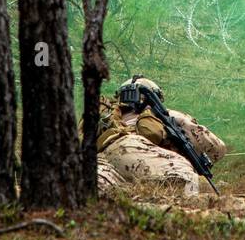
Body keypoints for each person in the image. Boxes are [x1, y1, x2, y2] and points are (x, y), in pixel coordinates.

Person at [91, 76, 226, 197]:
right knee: (188, 180)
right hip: (134, 148)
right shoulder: (165, 114)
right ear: (154, 97)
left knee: (105, 197)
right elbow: (217, 149)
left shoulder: (107, 116)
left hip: (103, 157)